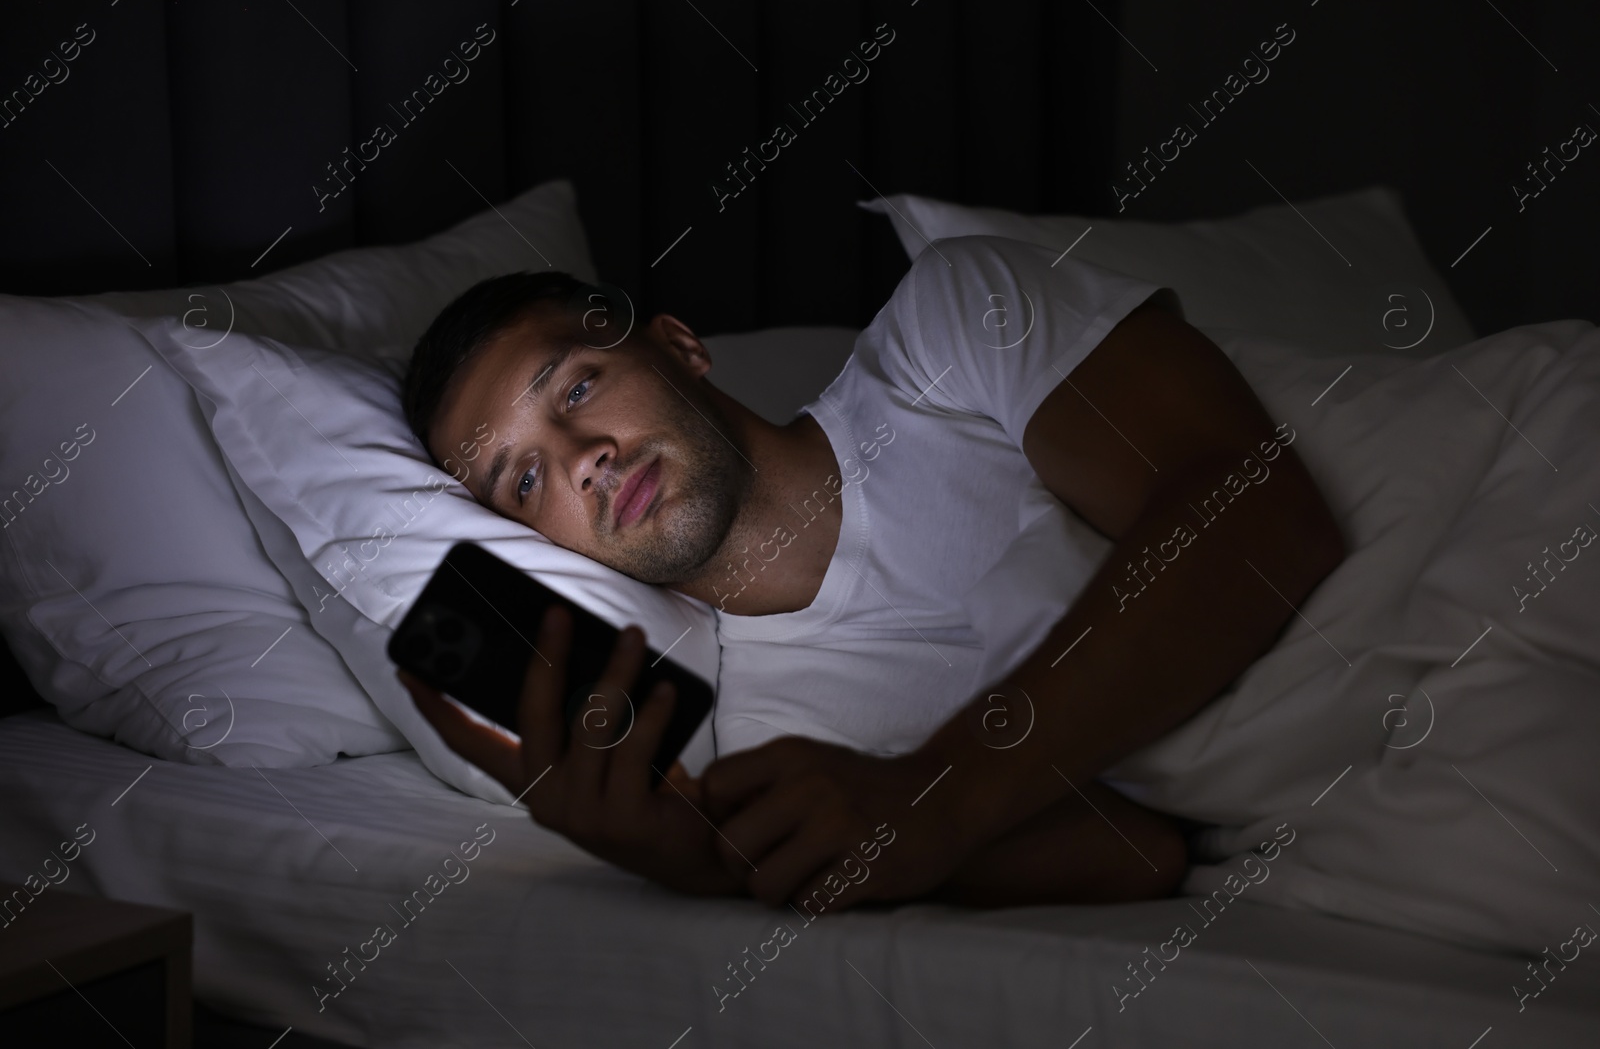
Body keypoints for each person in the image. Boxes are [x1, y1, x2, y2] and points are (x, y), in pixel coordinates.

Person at [395, 235, 1346, 912]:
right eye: (522, 480)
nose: (579, 458)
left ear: (680, 346)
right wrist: (718, 860)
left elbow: (1259, 512)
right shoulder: (774, 741)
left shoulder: (948, 330)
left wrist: (939, 791)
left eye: (577, 386)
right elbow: (1141, 853)